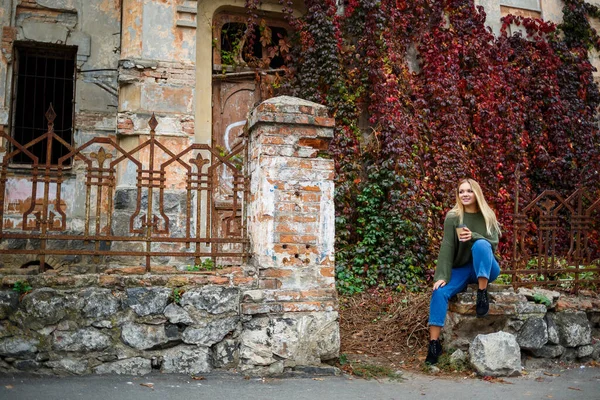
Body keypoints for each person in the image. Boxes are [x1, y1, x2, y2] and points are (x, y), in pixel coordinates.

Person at [426, 178, 501, 365]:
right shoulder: (453, 217)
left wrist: (474, 237)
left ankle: (482, 293)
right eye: (461, 191)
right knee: (439, 292)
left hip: (485, 268)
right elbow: (447, 246)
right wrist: (441, 276)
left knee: (481, 244)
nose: (465, 194)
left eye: (469, 191)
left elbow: (492, 245)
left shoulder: (487, 215)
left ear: (477, 193)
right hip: (461, 269)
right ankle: (433, 345)